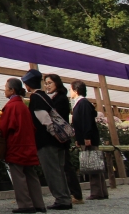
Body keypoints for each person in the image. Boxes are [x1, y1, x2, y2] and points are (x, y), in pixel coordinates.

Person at [21, 69, 72, 210]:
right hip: (59, 142)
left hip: (47, 141)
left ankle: (61, 199)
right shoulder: (46, 96)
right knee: (59, 170)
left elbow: (44, 119)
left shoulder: (36, 98)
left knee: (52, 171)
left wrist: (53, 133)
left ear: (28, 84)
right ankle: (66, 198)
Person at [0, 78, 46, 213]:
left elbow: (4, 127)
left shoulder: (11, 106)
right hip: (28, 144)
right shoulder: (24, 106)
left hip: (16, 145)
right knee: (31, 175)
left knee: (18, 176)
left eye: (6, 88)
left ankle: (25, 204)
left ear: (12, 90)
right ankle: (39, 203)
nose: (4, 90)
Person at [44, 74, 81, 205]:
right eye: (46, 83)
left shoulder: (61, 98)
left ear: (57, 83)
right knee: (64, 166)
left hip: (61, 137)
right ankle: (71, 194)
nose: (47, 86)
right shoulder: (52, 98)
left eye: (50, 83)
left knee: (66, 166)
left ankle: (76, 194)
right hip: (57, 137)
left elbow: (57, 117)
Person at [70, 80, 108, 200]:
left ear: (76, 90)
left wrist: (86, 137)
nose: (70, 92)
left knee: (92, 164)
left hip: (88, 138)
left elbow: (86, 121)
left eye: (71, 89)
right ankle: (102, 191)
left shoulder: (83, 103)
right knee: (95, 164)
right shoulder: (81, 103)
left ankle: (97, 192)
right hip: (85, 138)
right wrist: (78, 138)